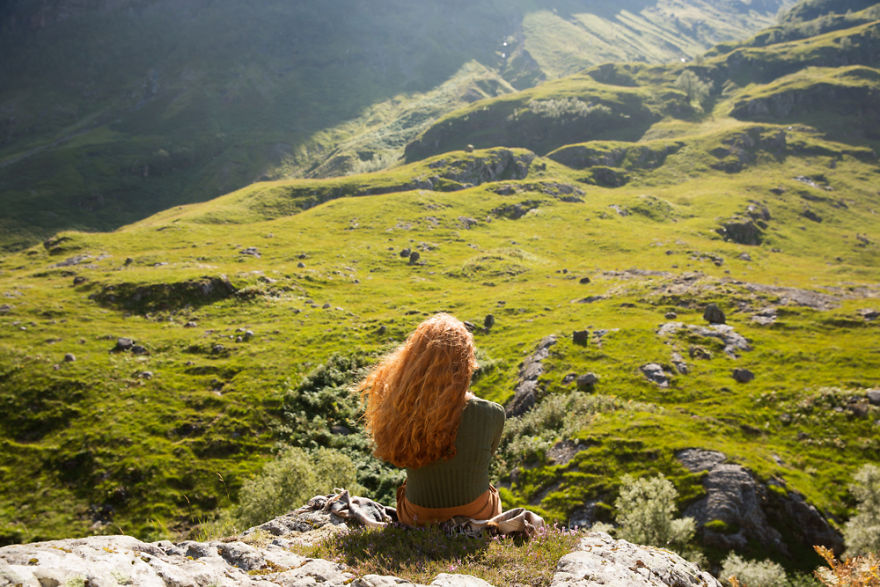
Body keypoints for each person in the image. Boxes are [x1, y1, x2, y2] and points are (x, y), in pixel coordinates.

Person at [358, 313, 505, 526]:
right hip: (477, 513)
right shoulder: (491, 413)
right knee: (491, 492)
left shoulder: (402, 410)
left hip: (416, 516)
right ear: (466, 363)